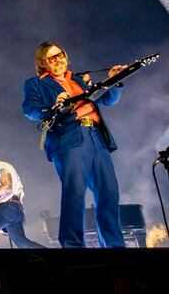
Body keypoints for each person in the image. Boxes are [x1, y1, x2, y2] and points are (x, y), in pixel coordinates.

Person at [22, 41, 127, 248]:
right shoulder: (36, 83)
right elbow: (30, 109)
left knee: (109, 193)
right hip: (69, 140)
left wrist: (114, 81)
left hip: (96, 136)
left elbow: (107, 100)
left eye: (60, 55)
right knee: (74, 193)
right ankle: (72, 246)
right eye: (52, 58)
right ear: (43, 63)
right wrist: (53, 106)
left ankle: (114, 246)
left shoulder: (79, 80)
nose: (58, 60)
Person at [0, 145, 45, 249]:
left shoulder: (1, 166)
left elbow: (7, 187)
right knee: (23, 244)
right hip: (15, 211)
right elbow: (0, 194)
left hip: (8, 208)